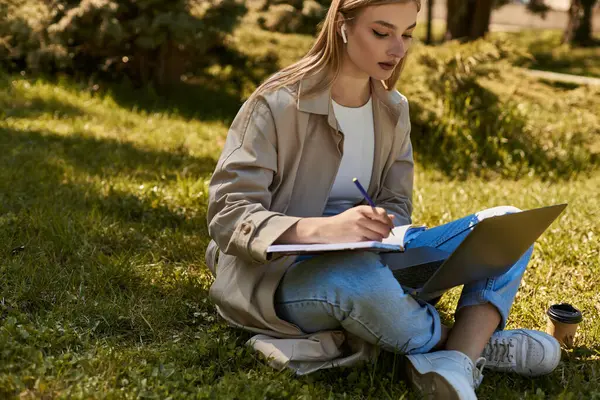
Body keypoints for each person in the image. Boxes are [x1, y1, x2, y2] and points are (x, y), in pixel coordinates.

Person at [205, 0, 561, 398]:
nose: (399, 49)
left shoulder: (393, 110)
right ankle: (466, 345)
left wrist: (381, 224)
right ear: (342, 25)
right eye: (382, 32)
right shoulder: (275, 104)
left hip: (373, 259)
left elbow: (396, 204)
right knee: (361, 282)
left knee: (507, 226)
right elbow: (228, 213)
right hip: (282, 278)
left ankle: (452, 358)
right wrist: (325, 230)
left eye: (407, 34)